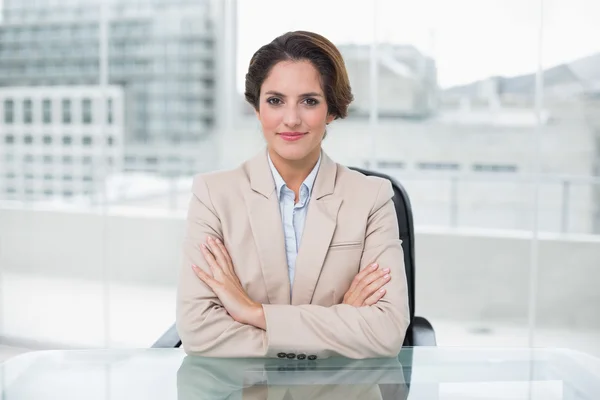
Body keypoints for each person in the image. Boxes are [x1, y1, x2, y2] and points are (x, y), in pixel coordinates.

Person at [176, 31, 409, 359]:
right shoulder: (213, 196)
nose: (291, 119)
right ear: (257, 108)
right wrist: (339, 325)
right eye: (275, 101)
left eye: (309, 101)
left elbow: (385, 332)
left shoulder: (371, 198)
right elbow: (199, 331)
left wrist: (253, 313)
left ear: (331, 110)